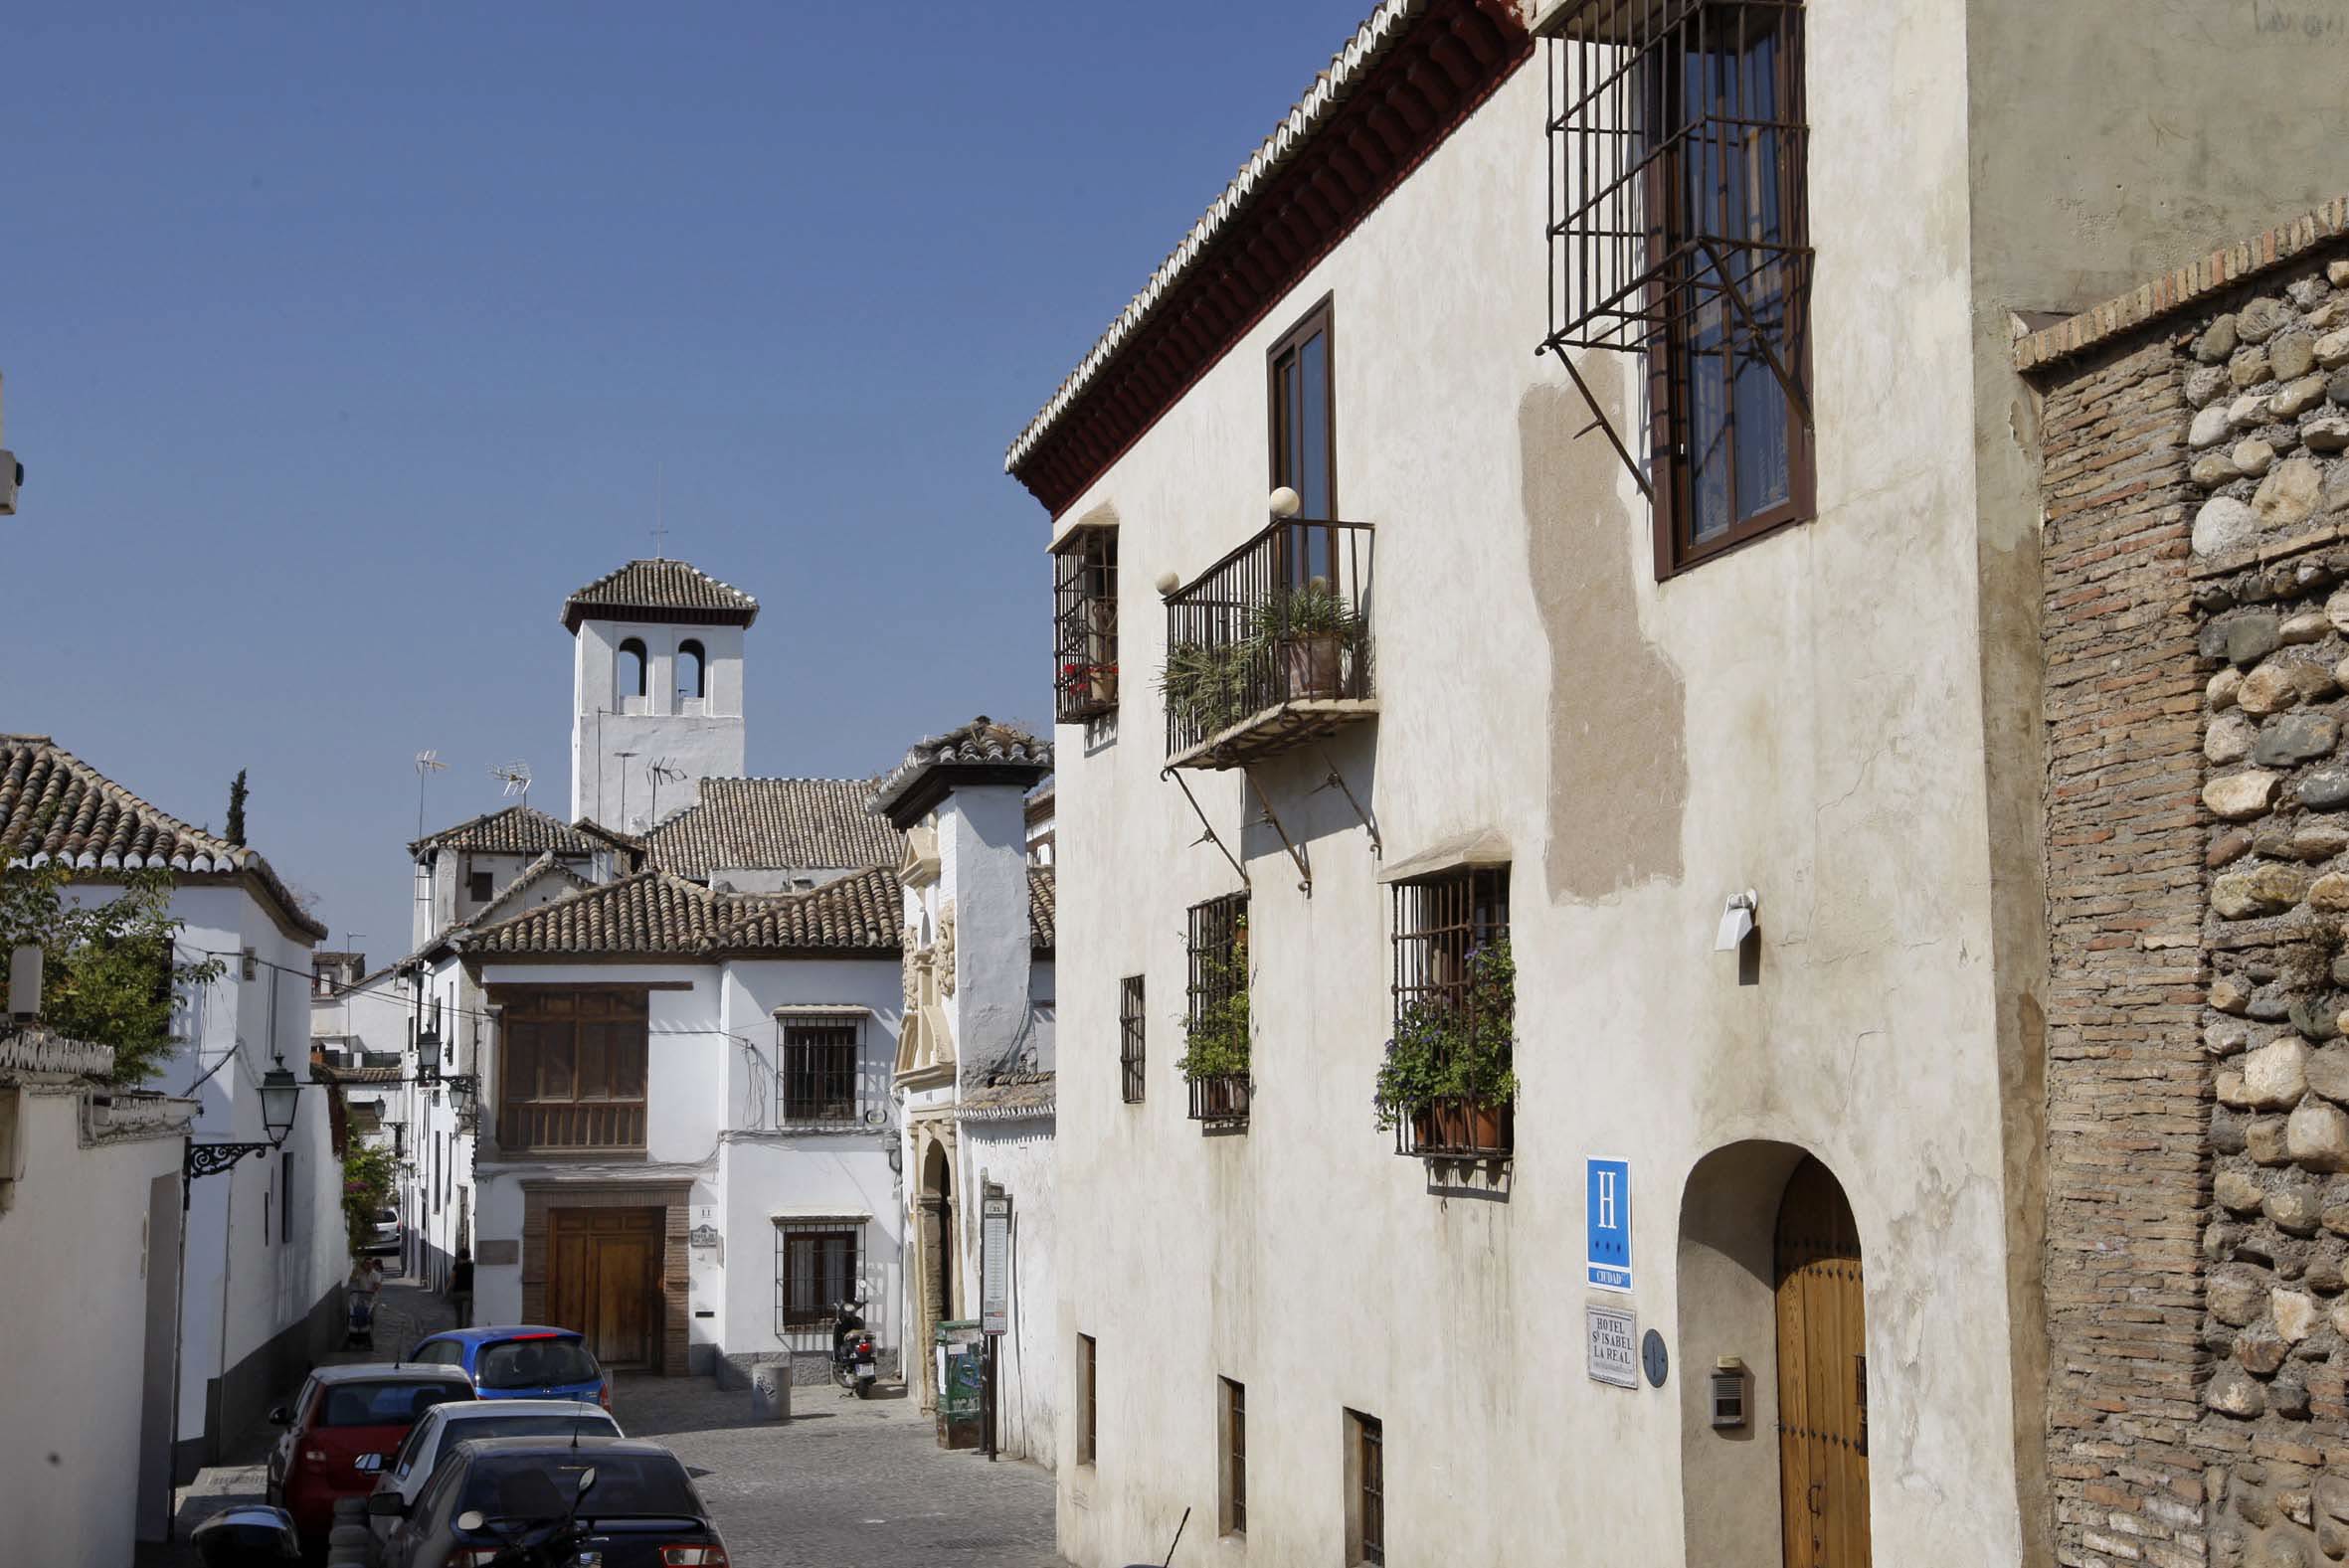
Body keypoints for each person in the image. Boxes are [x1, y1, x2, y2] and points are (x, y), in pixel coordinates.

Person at [448, 1247, 474, 1329]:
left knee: (458, 1316)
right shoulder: (472, 1266)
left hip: (457, 1294)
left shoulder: (456, 1267)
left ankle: (458, 1333)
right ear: (469, 1256)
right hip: (468, 1293)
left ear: (459, 1256)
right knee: (466, 1317)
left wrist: (447, 1292)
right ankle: (465, 1333)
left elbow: (452, 1281)